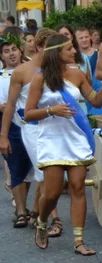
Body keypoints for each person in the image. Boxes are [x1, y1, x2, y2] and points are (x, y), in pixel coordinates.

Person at [24, 33, 102, 254]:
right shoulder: (40, 78)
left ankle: (79, 241)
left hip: (76, 139)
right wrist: (50, 110)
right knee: (53, 192)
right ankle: (43, 221)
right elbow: (28, 114)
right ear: (57, 52)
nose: (74, 52)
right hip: (52, 140)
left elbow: (96, 100)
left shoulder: (77, 74)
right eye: (69, 49)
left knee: (77, 188)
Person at [0, 29, 61, 234]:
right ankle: (34, 214)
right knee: (28, 171)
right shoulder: (21, 72)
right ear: (38, 47)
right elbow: (10, 104)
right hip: (25, 127)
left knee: (44, 173)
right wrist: (4, 135)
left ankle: (37, 212)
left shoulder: (58, 68)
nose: (11, 54)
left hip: (52, 127)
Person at [0, 33, 29, 227]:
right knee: (17, 168)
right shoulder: (1, 77)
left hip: (33, 124)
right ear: (1, 56)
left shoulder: (32, 71)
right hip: (11, 126)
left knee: (35, 169)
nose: (11, 54)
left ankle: (34, 209)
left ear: (20, 50)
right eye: (6, 51)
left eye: (14, 50)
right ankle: (20, 210)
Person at [75, 27, 102, 115]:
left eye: (86, 37)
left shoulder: (100, 54)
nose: (84, 40)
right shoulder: (73, 58)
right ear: (76, 40)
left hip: (97, 95)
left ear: (90, 37)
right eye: (81, 38)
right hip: (81, 99)